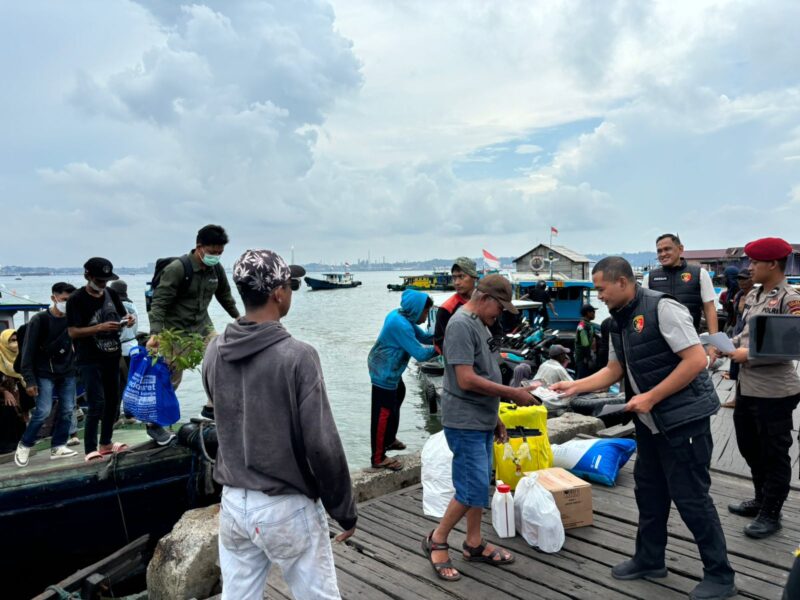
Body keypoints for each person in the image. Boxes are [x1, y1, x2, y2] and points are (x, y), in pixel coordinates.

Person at [551, 257, 736, 600]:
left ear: (622, 282)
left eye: (602, 289)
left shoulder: (662, 308)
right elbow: (614, 369)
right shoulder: (617, 320)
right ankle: (650, 558)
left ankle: (720, 574)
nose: (599, 296)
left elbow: (696, 361)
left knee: (692, 498)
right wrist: (574, 387)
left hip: (683, 421)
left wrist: (650, 397)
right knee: (648, 493)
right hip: (650, 424)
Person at [203, 249, 356, 600]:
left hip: (233, 502)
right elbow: (322, 444)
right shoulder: (298, 356)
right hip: (284, 504)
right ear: (278, 293)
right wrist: (344, 510)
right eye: (290, 285)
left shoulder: (214, 350)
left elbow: (218, 414)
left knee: (238, 596)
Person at [423, 274, 540, 582]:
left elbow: (484, 368)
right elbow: (465, 379)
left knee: (479, 485)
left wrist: (496, 418)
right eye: (499, 309)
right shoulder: (461, 325)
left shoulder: (481, 324)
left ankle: (473, 542)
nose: (499, 315)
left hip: (482, 419)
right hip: (464, 421)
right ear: (487, 299)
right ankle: (437, 539)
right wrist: (512, 393)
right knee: (469, 488)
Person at [726, 237, 800, 539]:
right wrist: (722, 346)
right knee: (749, 446)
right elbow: (744, 334)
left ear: (772, 264)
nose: (750, 267)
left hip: (775, 391)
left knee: (774, 453)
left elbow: (795, 343)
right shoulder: (756, 296)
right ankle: (760, 498)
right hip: (748, 386)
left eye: (755, 262)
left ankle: (772, 512)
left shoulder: (789, 298)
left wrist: (750, 355)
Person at [147, 224, 240, 427]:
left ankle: (211, 407)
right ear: (199, 247)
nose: (216, 256)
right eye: (212, 252)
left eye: (220, 252)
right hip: (175, 331)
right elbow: (159, 303)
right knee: (171, 380)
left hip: (202, 327)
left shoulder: (216, 269)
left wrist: (240, 319)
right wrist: (155, 334)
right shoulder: (177, 269)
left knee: (222, 359)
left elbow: (225, 296)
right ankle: (157, 424)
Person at [67, 258, 136, 461]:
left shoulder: (111, 293)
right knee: (96, 402)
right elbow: (72, 332)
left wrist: (127, 320)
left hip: (112, 354)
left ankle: (106, 442)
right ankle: (90, 448)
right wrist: (99, 328)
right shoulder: (76, 299)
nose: (102, 284)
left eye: (106, 280)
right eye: (99, 280)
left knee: (113, 400)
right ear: (87, 276)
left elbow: (123, 316)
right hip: (89, 357)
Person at [368, 289, 436, 470]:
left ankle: (389, 439)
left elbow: (424, 337)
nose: (426, 315)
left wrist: (442, 335)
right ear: (417, 309)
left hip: (389, 370)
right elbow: (421, 354)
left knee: (399, 393)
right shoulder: (401, 324)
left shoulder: (403, 316)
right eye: (425, 312)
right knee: (383, 413)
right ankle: (378, 458)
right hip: (383, 372)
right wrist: (440, 348)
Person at [14, 283, 79, 467]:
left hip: (67, 371)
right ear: (54, 298)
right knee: (43, 410)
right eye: (65, 300)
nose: (68, 304)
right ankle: (25, 444)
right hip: (44, 372)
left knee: (68, 409)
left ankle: (58, 445)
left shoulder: (73, 319)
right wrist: (29, 379)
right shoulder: (39, 320)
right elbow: (27, 351)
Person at [644, 234, 718, 333]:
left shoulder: (700, 274)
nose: (663, 254)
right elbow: (643, 311)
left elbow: (709, 308)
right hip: (659, 341)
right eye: (659, 251)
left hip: (691, 339)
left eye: (667, 249)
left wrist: (714, 340)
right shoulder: (649, 277)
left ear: (680, 249)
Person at [719, 269, 754, 408]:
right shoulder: (738, 295)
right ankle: (736, 399)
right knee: (735, 368)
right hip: (736, 332)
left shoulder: (755, 296)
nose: (741, 281)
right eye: (739, 278)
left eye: (744, 278)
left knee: (746, 369)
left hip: (748, 336)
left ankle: (744, 399)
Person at [434, 257, 479, 355]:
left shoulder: (486, 302)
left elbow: (497, 332)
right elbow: (439, 342)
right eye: (454, 278)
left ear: (474, 277)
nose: (456, 282)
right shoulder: (446, 309)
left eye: (461, 276)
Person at [109, 280, 138, 423]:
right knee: (132, 383)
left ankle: (113, 416)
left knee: (117, 385)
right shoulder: (133, 305)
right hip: (134, 348)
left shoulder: (115, 306)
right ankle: (130, 414)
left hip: (120, 350)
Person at [0, 330, 33, 454]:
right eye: (11, 341)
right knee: (7, 410)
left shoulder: (20, 357)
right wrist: (4, 392)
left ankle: (19, 443)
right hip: (4, 398)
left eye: (16, 340)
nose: (14, 344)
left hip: (19, 396)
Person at [575, 303, 598, 379]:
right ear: (588, 313)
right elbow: (585, 344)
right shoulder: (582, 326)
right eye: (593, 312)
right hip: (582, 357)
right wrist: (588, 358)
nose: (594, 314)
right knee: (582, 377)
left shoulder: (589, 324)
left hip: (586, 356)